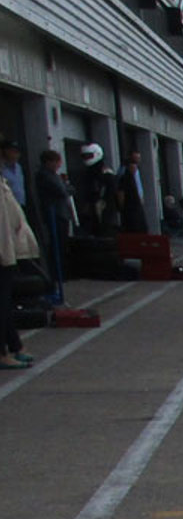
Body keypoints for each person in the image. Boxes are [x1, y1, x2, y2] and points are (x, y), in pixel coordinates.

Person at [0, 178, 38, 368]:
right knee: (2, 303)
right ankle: (3, 353)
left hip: (8, 250)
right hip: (3, 252)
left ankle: (16, 346)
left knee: (5, 302)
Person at [34, 150, 73, 289]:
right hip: (54, 214)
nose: (58, 165)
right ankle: (56, 275)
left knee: (62, 245)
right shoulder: (44, 176)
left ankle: (61, 273)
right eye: (56, 162)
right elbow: (62, 190)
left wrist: (66, 187)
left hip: (61, 214)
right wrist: (66, 187)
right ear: (48, 162)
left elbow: (68, 188)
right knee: (56, 245)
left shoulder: (54, 175)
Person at [80, 144, 118, 235]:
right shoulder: (88, 172)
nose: (86, 158)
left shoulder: (105, 172)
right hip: (93, 205)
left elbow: (111, 190)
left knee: (104, 227)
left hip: (103, 204)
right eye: (84, 156)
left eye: (89, 156)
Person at [117, 148, 148, 233]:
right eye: (136, 159)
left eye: (139, 158)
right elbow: (121, 192)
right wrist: (122, 206)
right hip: (130, 206)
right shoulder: (124, 174)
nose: (138, 161)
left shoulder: (137, 171)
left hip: (137, 203)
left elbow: (138, 185)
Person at [0, 139, 24, 206]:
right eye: (13, 151)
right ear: (6, 151)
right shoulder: (2, 168)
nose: (17, 154)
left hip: (20, 202)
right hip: (8, 205)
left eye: (17, 152)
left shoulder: (18, 167)